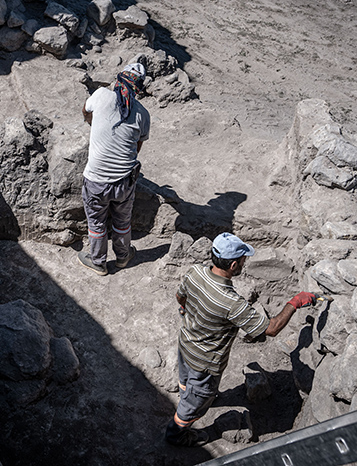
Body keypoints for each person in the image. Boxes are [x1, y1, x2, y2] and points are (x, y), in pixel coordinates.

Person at [165, 232, 317, 447]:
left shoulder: (195, 272)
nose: (244, 264)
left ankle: (186, 393)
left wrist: (188, 311)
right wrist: (294, 302)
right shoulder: (231, 302)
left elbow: (181, 297)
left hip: (186, 344)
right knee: (196, 402)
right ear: (234, 265)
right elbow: (271, 329)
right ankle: (176, 433)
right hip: (206, 363)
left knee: (187, 379)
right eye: (243, 261)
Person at [78, 63, 151, 275]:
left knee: (96, 222)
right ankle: (123, 256)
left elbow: (85, 109)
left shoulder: (101, 95)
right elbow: (136, 148)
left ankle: (98, 261)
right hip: (124, 182)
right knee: (122, 220)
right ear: (138, 88)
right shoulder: (142, 114)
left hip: (96, 180)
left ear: (118, 81)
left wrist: (93, 123)